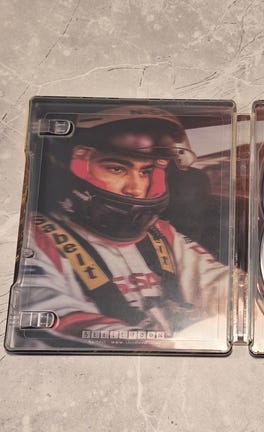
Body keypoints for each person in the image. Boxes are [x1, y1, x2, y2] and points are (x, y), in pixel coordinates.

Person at [17, 105, 229, 349]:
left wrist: (248, 303)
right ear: (71, 168)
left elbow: (216, 282)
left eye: (146, 172)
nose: (136, 189)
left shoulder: (161, 233)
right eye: (116, 169)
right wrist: (154, 348)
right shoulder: (35, 237)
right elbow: (53, 320)